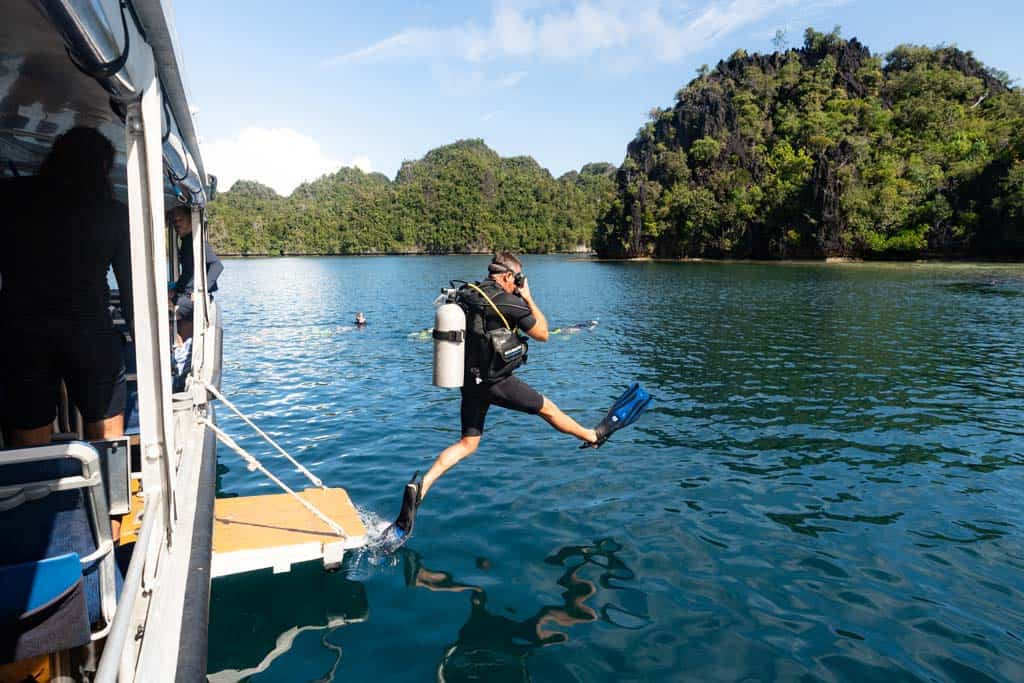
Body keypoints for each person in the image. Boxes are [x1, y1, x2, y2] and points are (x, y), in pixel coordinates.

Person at [386, 253, 650, 546]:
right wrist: (529, 297)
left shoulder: (468, 293)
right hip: (494, 382)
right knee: (547, 408)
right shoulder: (508, 301)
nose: (520, 284)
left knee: (467, 443)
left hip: (468, 380)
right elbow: (543, 333)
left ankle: (420, 489)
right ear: (509, 276)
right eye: (519, 279)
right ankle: (593, 434)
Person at [0, 126, 133, 447]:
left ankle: (34, 492)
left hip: (21, 332)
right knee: (107, 440)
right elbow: (130, 289)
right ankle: (107, 490)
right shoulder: (113, 213)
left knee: (29, 439)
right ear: (103, 168)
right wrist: (139, 338)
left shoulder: (9, 196)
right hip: (88, 331)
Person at [169, 205, 222, 336]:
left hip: (193, 297)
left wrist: (202, 291)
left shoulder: (195, 241)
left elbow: (217, 265)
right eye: (175, 221)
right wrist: (175, 290)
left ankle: (176, 349)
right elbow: (187, 274)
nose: (177, 224)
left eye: (180, 220)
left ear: (190, 220)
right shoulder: (186, 242)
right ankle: (179, 347)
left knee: (160, 310)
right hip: (185, 295)